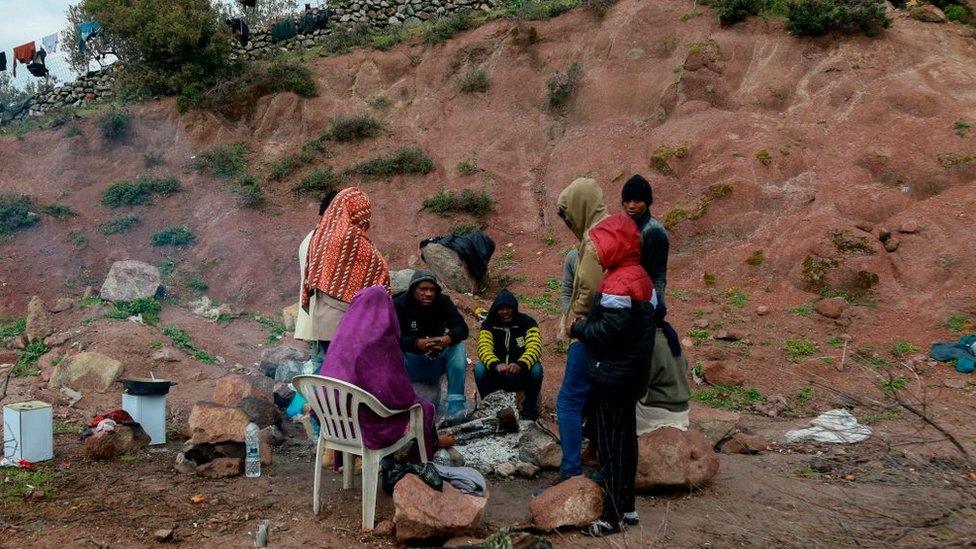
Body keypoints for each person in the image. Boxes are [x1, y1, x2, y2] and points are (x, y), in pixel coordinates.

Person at [569, 213, 656, 536]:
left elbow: (610, 330)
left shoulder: (619, 282)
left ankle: (612, 515)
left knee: (610, 444)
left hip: (612, 374)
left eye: (600, 244)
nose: (597, 250)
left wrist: (580, 328)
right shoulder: (641, 276)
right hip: (632, 373)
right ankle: (627, 506)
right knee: (626, 440)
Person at [317, 286, 438, 460]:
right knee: (424, 408)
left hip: (335, 423)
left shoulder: (340, 337)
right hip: (365, 427)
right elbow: (399, 398)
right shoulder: (380, 344)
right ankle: (416, 464)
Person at [554, 177, 608, 479]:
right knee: (603, 397)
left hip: (589, 331)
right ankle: (607, 465)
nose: (568, 221)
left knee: (569, 400)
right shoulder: (615, 230)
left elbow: (588, 287)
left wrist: (574, 323)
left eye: (568, 213)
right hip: (612, 329)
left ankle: (570, 471)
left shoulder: (595, 238)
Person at [301, 188, 390, 367]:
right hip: (347, 327)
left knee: (327, 378)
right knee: (345, 380)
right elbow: (377, 272)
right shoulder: (351, 239)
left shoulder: (320, 236)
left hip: (322, 321)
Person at [394, 270, 470, 419]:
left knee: (458, 348)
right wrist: (418, 343)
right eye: (423, 289)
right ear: (413, 289)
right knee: (425, 410)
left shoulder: (443, 301)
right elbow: (393, 337)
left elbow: (462, 328)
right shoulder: (399, 304)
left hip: (436, 358)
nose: (428, 294)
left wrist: (445, 340)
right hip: (411, 364)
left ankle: (456, 407)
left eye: (432, 289)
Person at [474, 289, 544, 419]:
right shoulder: (489, 324)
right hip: (497, 374)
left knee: (536, 369)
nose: (505, 312)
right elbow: (484, 348)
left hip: (520, 373)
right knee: (479, 369)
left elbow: (534, 347)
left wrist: (520, 364)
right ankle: (489, 406)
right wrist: (496, 364)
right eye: (501, 309)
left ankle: (529, 410)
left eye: (508, 308)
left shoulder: (527, 323)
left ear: (514, 308)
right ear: (496, 310)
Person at [295, 190, 339, 356]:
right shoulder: (325, 240)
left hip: (317, 322)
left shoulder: (312, 237)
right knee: (328, 371)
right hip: (327, 324)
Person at [621, 174, 669, 318]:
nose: (631, 206)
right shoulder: (627, 226)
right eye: (627, 200)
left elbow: (656, 276)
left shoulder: (653, 232)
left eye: (637, 201)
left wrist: (655, 307)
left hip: (646, 299)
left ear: (647, 203)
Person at [636, 320, 690, 434]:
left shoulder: (649, 342)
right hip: (681, 411)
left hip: (658, 412)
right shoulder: (668, 335)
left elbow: (637, 387)